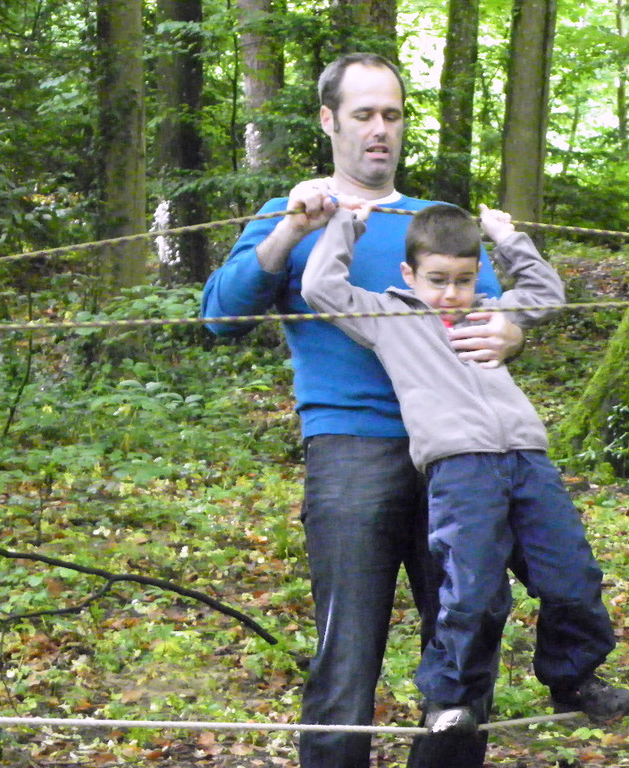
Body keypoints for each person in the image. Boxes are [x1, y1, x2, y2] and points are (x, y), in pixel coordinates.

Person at [201, 53, 523, 768]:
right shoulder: (291, 214)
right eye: (364, 114)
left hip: (458, 452)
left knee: (467, 644)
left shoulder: (432, 222)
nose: (380, 129)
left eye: (392, 115)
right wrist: (290, 231)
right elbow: (220, 315)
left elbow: (497, 310)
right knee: (345, 658)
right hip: (351, 449)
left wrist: (510, 332)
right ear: (329, 121)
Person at [301, 199, 629, 735]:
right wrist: (347, 225)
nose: (451, 294)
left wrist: (507, 238)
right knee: (473, 590)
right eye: (437, 280)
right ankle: (450, 697)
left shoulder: (490, 312)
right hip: (461, 470)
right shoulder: (388, 318)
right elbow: (320, 288)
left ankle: (574, 679)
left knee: (573, 578)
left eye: (463, 280)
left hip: (528, 461)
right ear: (409, 274)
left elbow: (546, 293)